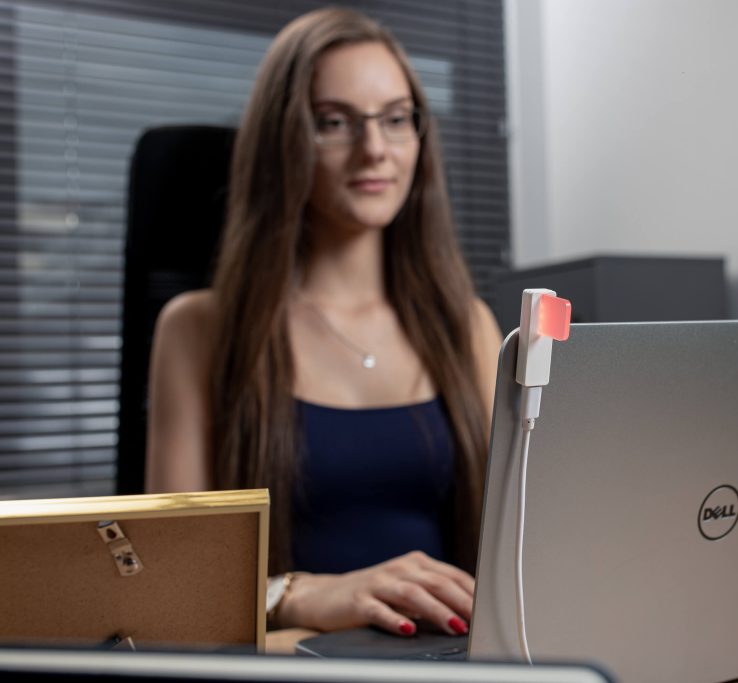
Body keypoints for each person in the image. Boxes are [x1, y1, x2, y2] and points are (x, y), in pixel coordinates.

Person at [144, 6, 503, 639]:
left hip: (442, 659)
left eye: (396, 119)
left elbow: (522, 552)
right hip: (289, 658)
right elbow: (170, 588)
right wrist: (303, 593)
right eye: (334, 123)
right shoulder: (198, 330)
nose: (375, 149)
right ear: (282, 140)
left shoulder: (468, 326)